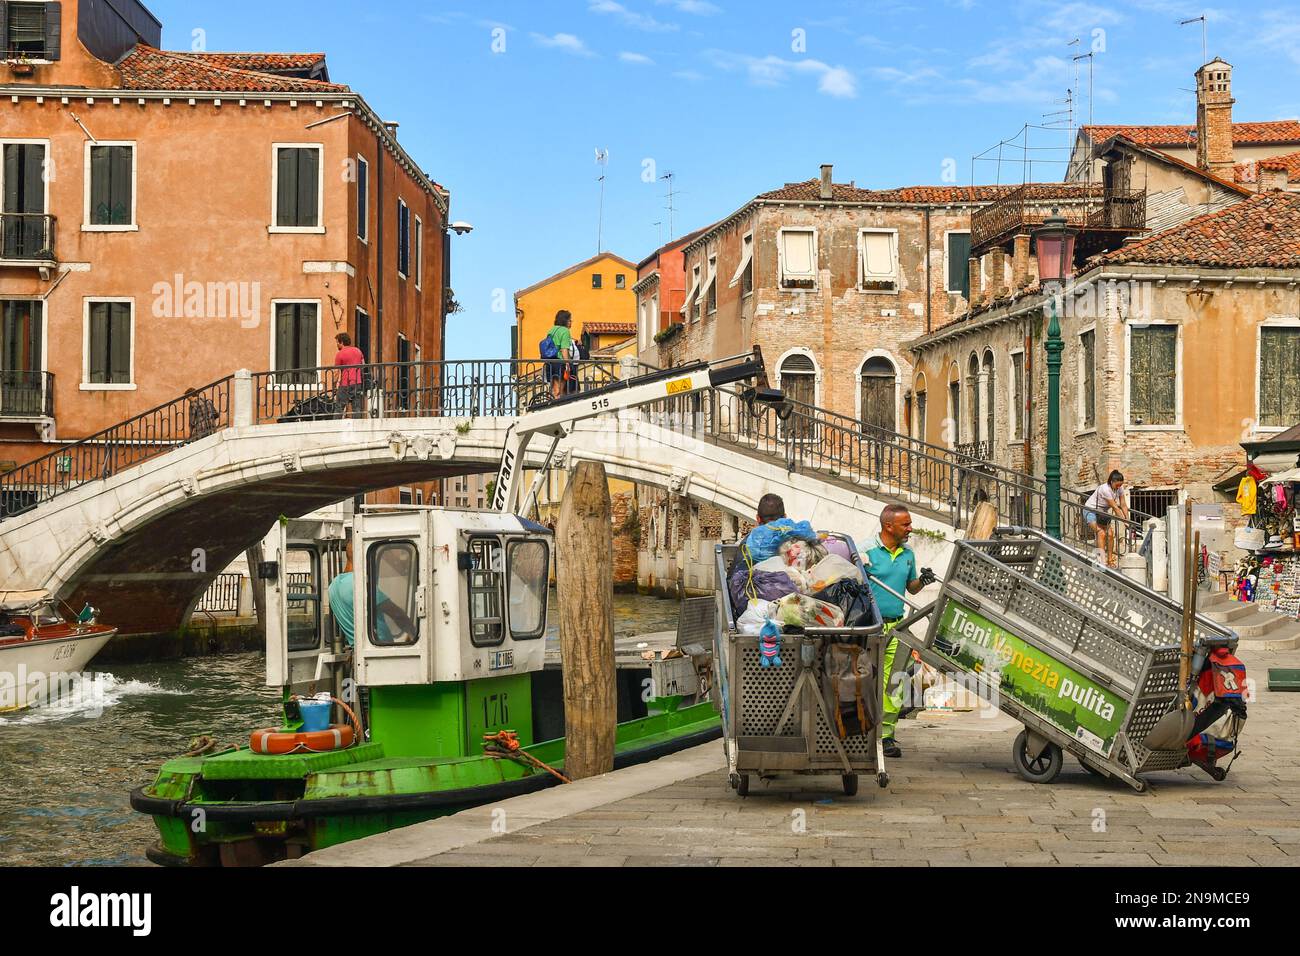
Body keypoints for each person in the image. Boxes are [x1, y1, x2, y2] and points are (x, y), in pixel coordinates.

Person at [863, 504, 936, 758]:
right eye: (905, 524)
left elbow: (911, 588)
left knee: (896, 682)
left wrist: (922, 580)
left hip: (898, 625)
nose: (910, 528)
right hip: (870, 626)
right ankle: (864, 733)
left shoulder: (908, 555)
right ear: (888, 526)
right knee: (869, 680)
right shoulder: (865, 552)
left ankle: (886, 736)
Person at [326, 540, 415, 647]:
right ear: (363, 555)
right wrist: (415, 635)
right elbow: (397, 614)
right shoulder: (359, 584)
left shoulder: (333, 586)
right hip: (379, 649)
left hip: (358, 649)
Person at [1084, 470, 1129, 568]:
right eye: (1117, 485)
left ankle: (1110, 560)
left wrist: (1127, 519)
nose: (1118, 487)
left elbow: (1123, 505)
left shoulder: (1120, 488)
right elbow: (1115, 507)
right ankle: (1101, 561)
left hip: (1102, 513)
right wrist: (1124, 521)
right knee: (1101, 533)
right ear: (1111, 482)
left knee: (1110, 534)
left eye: (1120, 485)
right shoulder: (1105, 489)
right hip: (1090, 510)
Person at [333, 332, 366, 418]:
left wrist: (334, 384)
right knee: (357, 407)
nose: (337, 345)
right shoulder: (358, 351)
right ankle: (357, 427)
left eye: (337, 342)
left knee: (339, 407)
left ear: (342, 342)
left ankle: (336, 427)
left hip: (345, 384)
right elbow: (363, 365)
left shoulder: (340, 354)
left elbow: (336, 372)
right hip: (357, 383)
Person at [544, 310, 574, 400]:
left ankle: (553, 404)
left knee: (554, 388)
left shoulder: (552, 330)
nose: (571, 323)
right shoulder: (565, 331)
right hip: (560, 362)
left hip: (550, 362)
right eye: (570, 320)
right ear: (565, 320)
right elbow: (564, 349)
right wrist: (567, 364)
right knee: (560, 390)